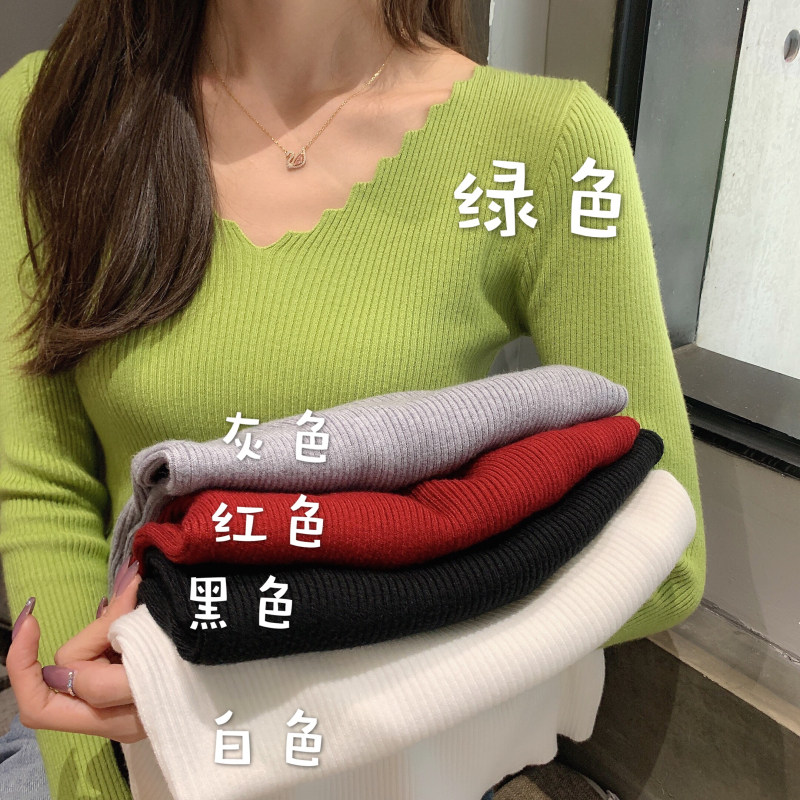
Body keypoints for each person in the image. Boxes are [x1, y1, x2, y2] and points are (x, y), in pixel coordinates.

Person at [0, 0, 706, 798]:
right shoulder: (54, 110)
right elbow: (45, 484)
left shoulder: (545, 144)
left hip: (376, 769)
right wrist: (97, 770)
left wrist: (211, 664)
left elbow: (665, 552)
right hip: (115, 748)